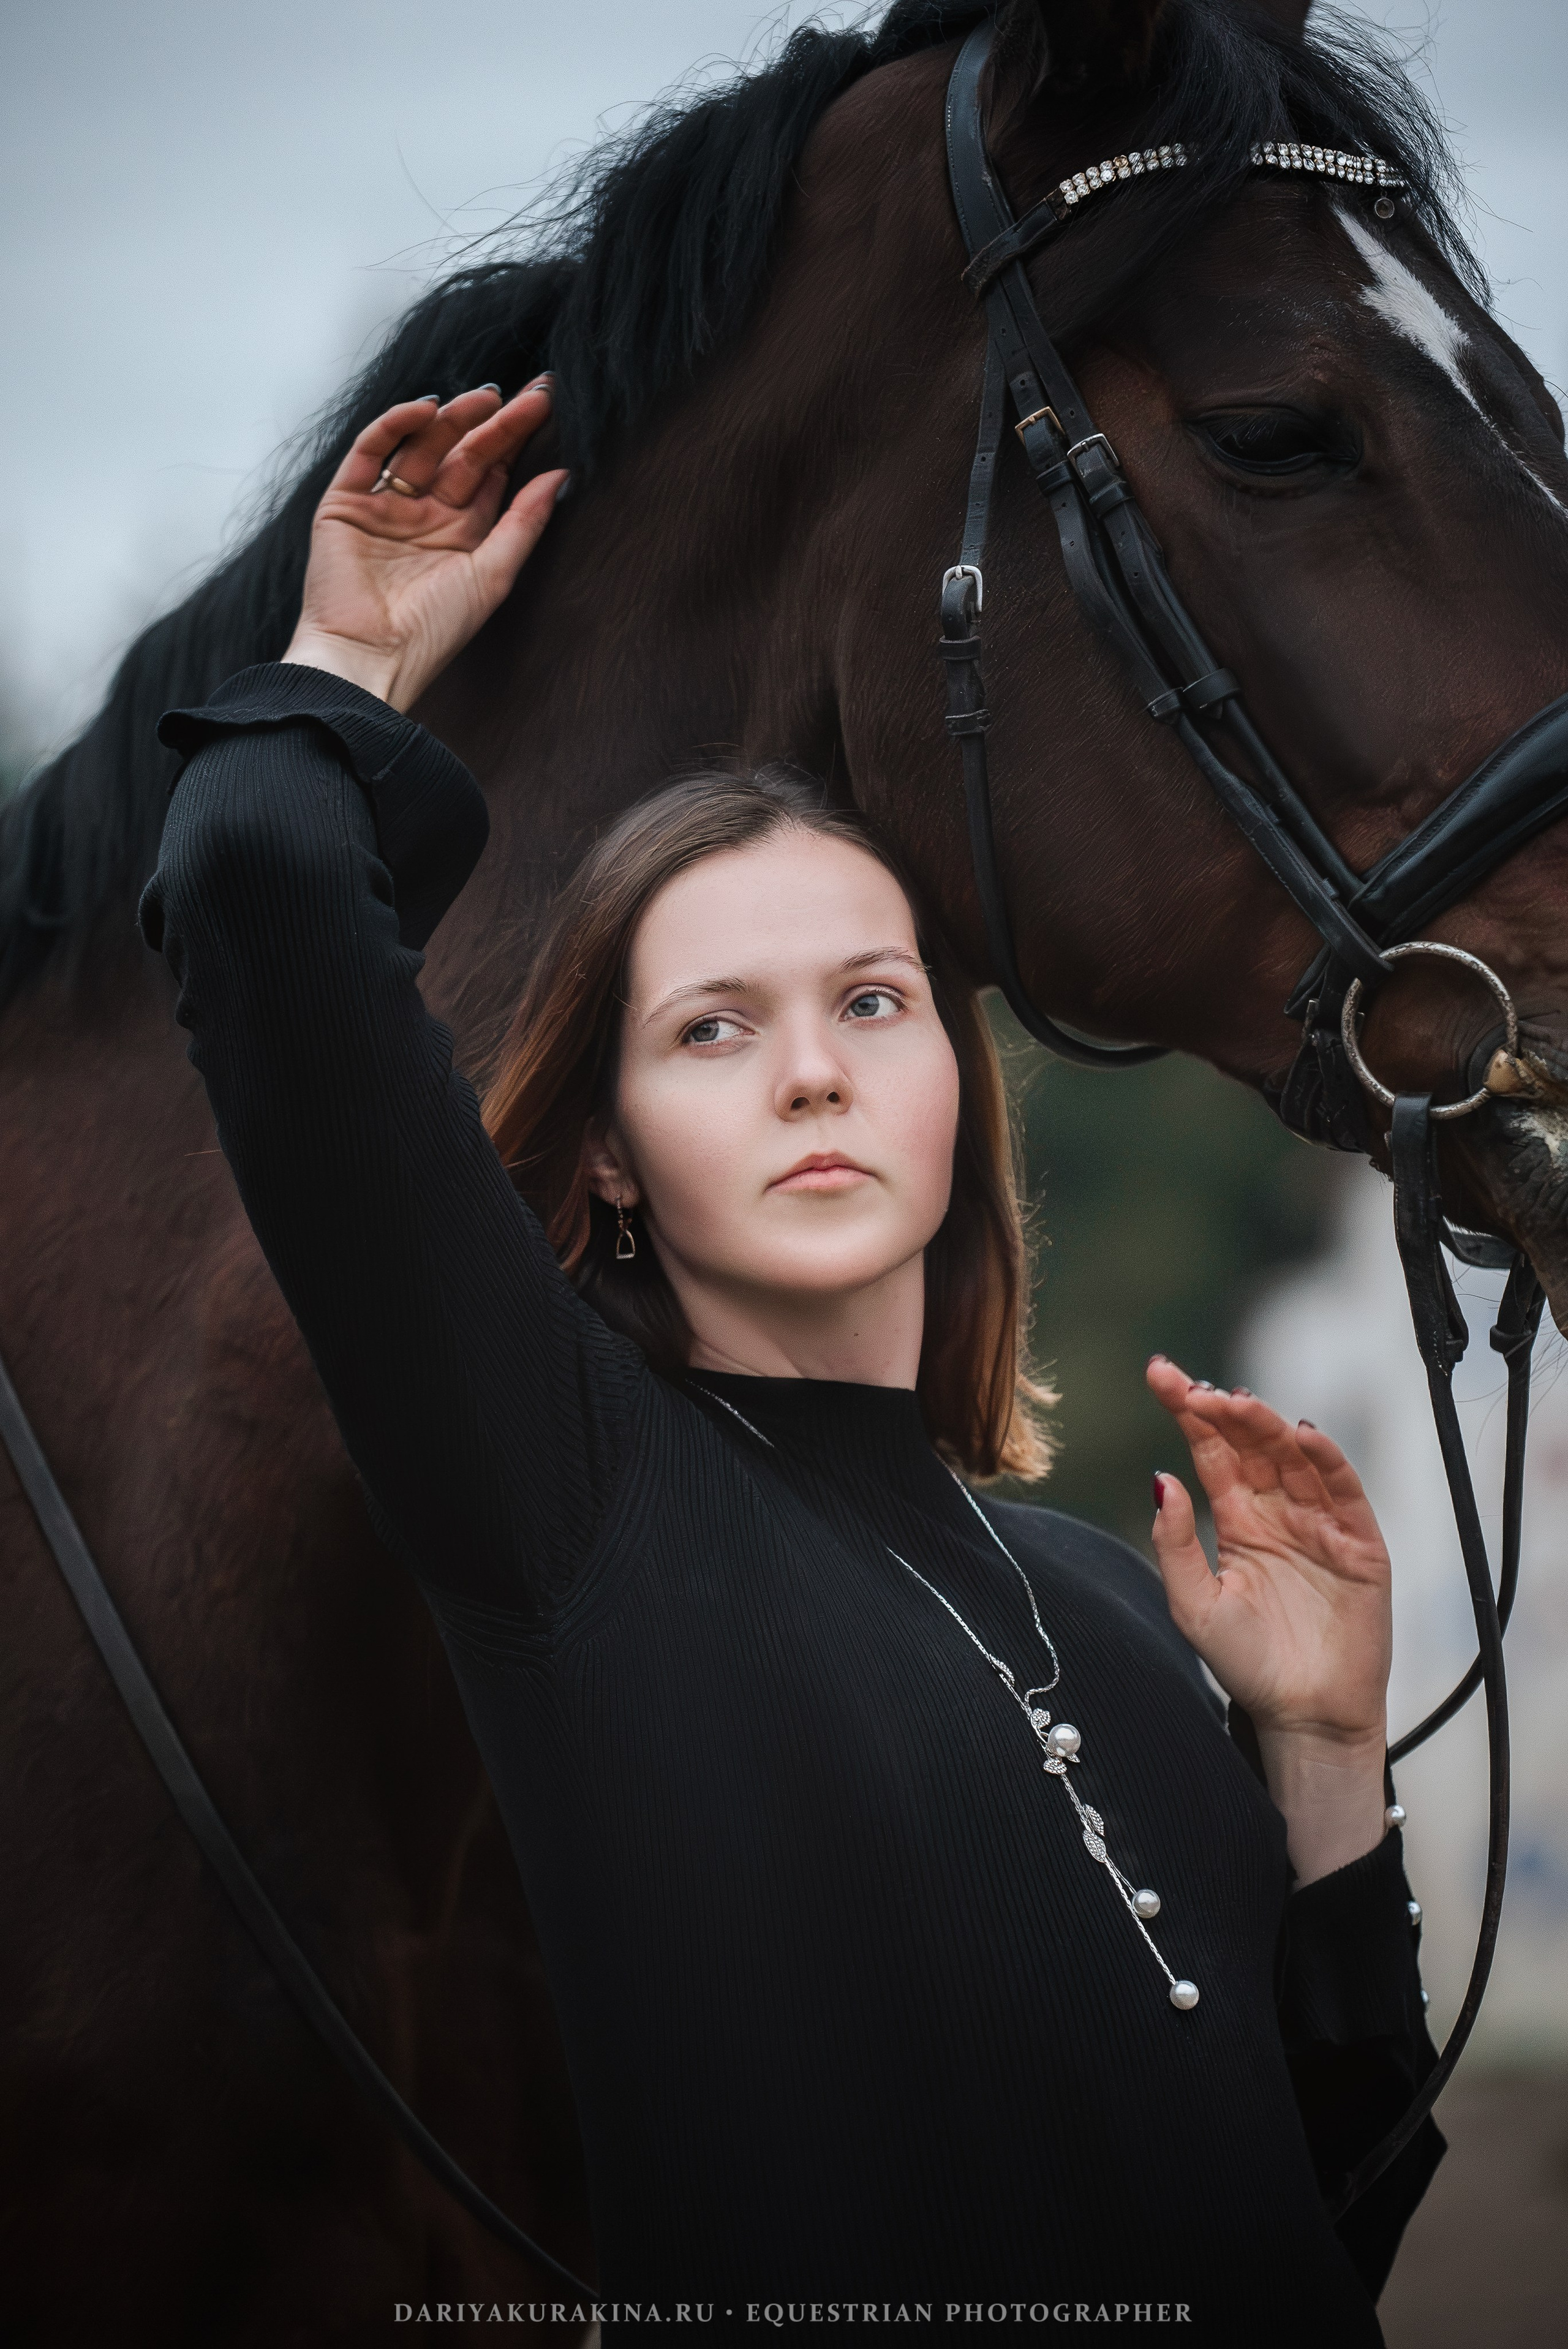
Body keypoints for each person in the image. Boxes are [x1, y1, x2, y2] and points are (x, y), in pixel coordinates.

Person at [139, 380, 1440, 2342]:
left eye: (872, 1000)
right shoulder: (567, 1493)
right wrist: (353, 654)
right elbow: (256, 882)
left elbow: (1334, 2213)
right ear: (607, 1150)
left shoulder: (1122, 1603)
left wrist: (1327, 1745)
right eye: (714, 1027)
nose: (814, 1068)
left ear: (955, 1089)